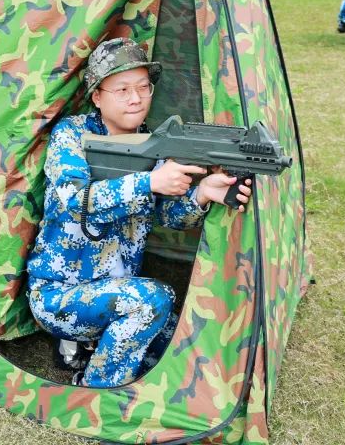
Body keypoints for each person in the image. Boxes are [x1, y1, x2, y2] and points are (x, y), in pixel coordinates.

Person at [25, 38, 252, 387]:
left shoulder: (152, 143)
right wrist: (150, 182)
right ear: (97, 96)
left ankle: (86, 344)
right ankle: (95, 390)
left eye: (144, 87)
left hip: (117, 292)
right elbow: (77, 201)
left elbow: (170, 217)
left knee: (184, 340)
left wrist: (203, 193)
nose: (136, 98)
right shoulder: (71, 135)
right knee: (153, 301)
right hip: (58, 295)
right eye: (122, 89)